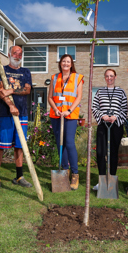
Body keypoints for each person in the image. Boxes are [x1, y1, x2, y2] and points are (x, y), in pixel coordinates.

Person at [0, 45, 33, 191]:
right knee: (0, 146)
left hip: (22, 113)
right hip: (5, 114)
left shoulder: (25, 71)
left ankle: (19, 176)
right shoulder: (2, 70)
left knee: (20, 146)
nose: (17, 55)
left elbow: (27, 90)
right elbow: (1, 91)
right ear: (9, 54)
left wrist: (12, 90)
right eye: (15, 53)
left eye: (20, 54)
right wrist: (10, 105)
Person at [48, 54, 84, 190]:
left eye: (68, 62)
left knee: (69, 142)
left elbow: (79, 96)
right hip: (56, 115)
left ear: (71, 64)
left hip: (70, 115)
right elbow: (50, 97)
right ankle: (65, 170)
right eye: (64, 61)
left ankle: (75, 173)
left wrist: (69, 110)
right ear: (60, 63)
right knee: (60, 143)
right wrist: (56, 109)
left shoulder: (77, 78)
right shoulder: (54, 78)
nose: (66, 64)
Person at [91, 69, 128, 191]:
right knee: (101, 153)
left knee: (113, 153)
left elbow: (124, 108)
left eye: (111, 76)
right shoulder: (100, 92)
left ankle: (112, 180)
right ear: (105, 78)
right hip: (103, 125)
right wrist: (102, 116)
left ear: (115, 77)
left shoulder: (121, 92)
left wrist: (116, 117)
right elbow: (94, 106)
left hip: (116, 126)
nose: (109, 78)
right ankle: (101, 180)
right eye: (107, 76)